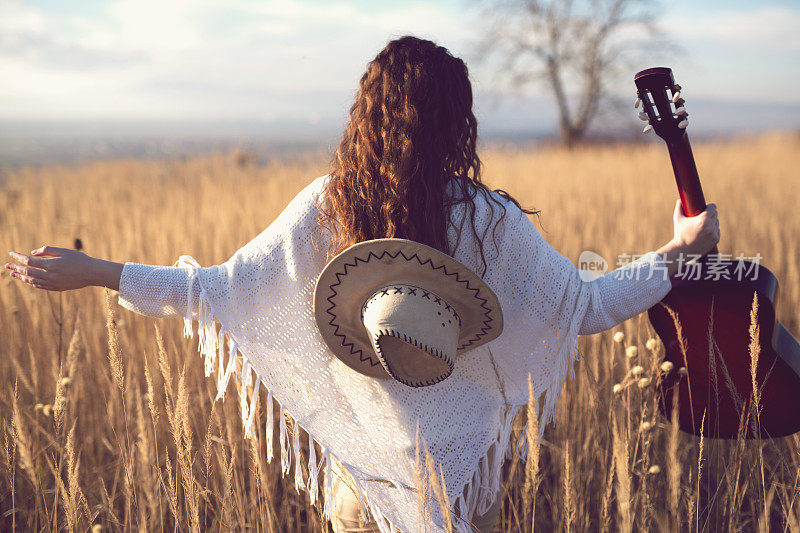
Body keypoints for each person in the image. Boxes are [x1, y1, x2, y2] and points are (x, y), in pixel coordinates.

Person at [5, 36, 719, 533]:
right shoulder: (487, 221)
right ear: (457, 122)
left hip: (362, 497)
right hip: (465, 498)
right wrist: (678, 252)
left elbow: (212, 290)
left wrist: (98, 272)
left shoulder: (327, 208)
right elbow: (588, 305)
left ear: (368, 116)